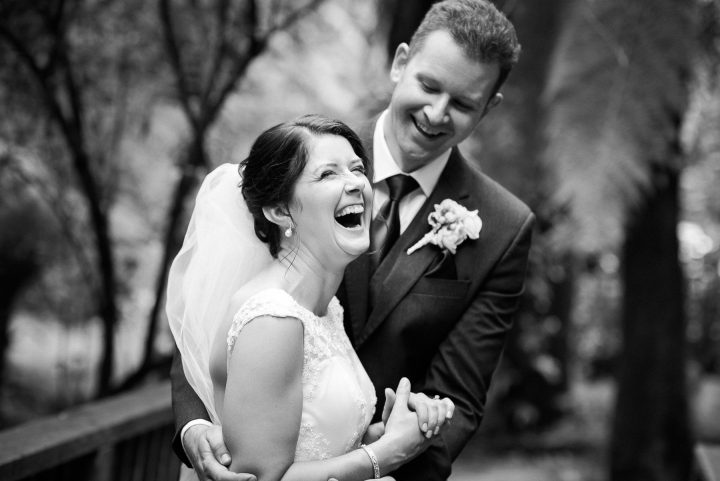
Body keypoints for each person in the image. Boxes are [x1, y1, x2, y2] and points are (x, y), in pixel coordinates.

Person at [172, 0, 535, 479]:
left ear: (488, 107)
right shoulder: (301, 157)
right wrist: (194, 426)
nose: (436, 113)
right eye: (428, 85)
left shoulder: (504, 226)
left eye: (464, 103)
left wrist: (395, 452)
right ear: (400, 61)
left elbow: (458, 399)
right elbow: (211, 303)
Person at [167, 114, 454, 481]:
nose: (354, 184)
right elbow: (261, 479)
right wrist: (384, 454)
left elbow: (315, 439)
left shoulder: (323, 308)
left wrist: (389, 431)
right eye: (327, 174)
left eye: (356, 169)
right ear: (279, 210)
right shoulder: (272, 319)